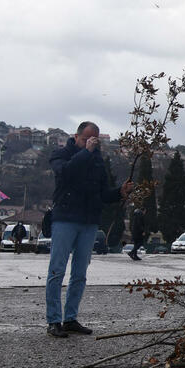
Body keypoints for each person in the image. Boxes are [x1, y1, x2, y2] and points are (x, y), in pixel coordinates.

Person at [46, 121, 133, 338]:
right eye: (86, 139)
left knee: (80, 273)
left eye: (94, 140)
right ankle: (54, 320)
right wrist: (86, 152)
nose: (91, 143)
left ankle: (71, 318)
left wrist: (119, 192)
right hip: (65, 218)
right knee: (57, 270)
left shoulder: (97, 161)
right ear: (76, 136)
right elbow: (65, 173)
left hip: (88, 221)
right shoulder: (61, 154)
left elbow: (102, 194)